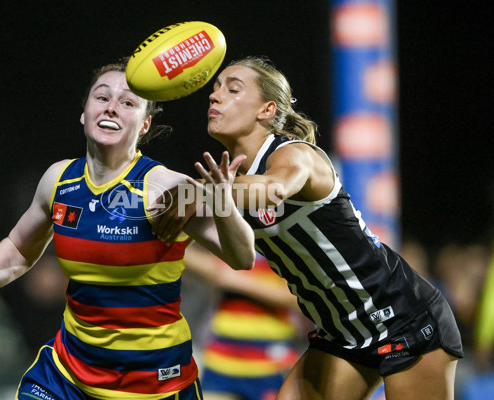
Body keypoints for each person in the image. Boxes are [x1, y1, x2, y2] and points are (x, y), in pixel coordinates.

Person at [0, 58, 256, 400]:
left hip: (153, 383)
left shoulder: (168, 187)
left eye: (127, 102)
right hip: (68, 374)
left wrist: (225, 207)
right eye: (102, 97)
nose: (112, 108)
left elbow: (242, 257)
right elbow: (21, 247)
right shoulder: (59, 180)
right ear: (84, 112)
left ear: (145, 125)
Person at [151, 56, 463, 400]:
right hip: (340, 334)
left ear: (267, 110)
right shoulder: (233, 184)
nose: (215, 96)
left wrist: (203, 193)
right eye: (215, 89)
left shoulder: (295, 155)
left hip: (405, 319)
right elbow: (236, 258)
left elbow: (274, 189)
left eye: (233, 88)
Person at [184, 242, 309, 400]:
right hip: (220, 362)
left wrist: (234, 279)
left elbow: (297, 298)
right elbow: (204, 265)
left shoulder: (287, 246)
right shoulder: (229, 239)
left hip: (270, 364)